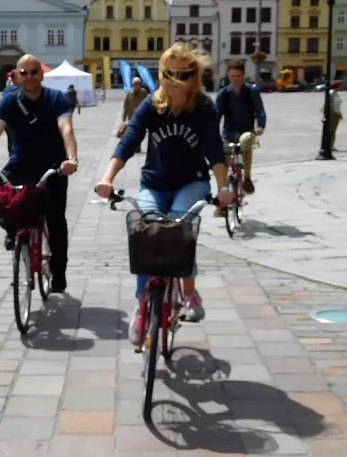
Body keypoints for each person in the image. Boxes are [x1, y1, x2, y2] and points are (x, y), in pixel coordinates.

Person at [95, 43, 232, 336]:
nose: (175, 80)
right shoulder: (152, 104)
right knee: (148, 234)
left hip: (191, 181)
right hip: (154, 183)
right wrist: (107, 178)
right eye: (169, 73)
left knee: (178, 229)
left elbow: (214, 150)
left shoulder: (204, 107)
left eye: (184, 74)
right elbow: (128, 141)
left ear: (194, 76)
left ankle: (190, 293)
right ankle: (142, 306)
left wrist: (223, 188)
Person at [0, 54, 79, 293]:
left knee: (55, 220)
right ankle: (13, 232)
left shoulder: (56, 99)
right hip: (21, 162)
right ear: (16, 76)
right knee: (3, 188)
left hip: (54, 165)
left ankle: (58, 271)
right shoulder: (10, 101)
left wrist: (71, 158)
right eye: (24, 73)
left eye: (34, 72)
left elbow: (67, 128)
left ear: (41, 75)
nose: (29, 77)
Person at [214, 59, 266, 198]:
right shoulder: (224, 93)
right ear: (228, 76)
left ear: (243, 75)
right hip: (229, 132)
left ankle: (247, 178)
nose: (235, 79)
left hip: (247, 132)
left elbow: (260, 111)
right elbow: (216, 114)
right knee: (222, 162)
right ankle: (222, 195)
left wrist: (260, 126)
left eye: (238, 76)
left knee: (246, 141)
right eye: (232, 76)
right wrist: (212, 132)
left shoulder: (252, 91)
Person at [121, 77, 149, 153]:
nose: (137, 86)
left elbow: (149, 103)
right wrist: (124, 117)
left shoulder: (144, 92)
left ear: (141, 84)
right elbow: (126, 105)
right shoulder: (129, 93)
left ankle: (138, 147)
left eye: (138, 84)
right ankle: (134, 146)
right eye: (135, 84)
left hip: (141, 116)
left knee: (139, 132)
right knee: (133, 132)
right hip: (132, 116)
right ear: (133, 84)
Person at [329, 80, 344, 151]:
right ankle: (329, 145)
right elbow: (330, 104)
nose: (342, 86)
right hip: (332, 114)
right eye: (341, 85)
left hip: (337, 114)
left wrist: (340, 114)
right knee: (331, 130)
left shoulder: (337, 93)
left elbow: (338, 105)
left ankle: (332, 145)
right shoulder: (331, 93)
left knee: (334, 131)